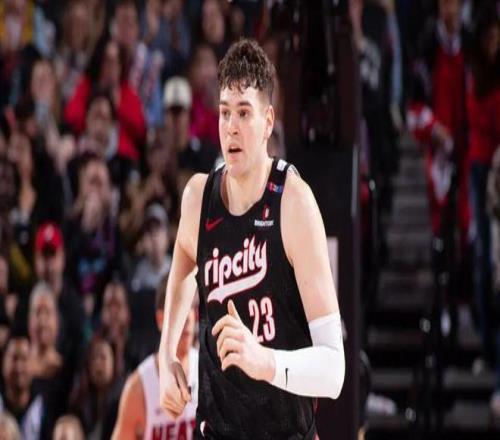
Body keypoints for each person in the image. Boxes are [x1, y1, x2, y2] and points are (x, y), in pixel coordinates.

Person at [158, 39, 344, 439]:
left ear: (268, 121)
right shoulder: (198, 198)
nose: (231, 126)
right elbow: (182, 269)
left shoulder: (293, 203)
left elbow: (334, 372)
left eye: (244, 113)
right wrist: (166, 352)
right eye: (225, 112)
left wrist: (266, 362)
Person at [112, 273, 198, 439]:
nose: (188, 317)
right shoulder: (139, 386)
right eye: (180, 309)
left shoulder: (208, 369)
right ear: (160, 319)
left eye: (191, 307)